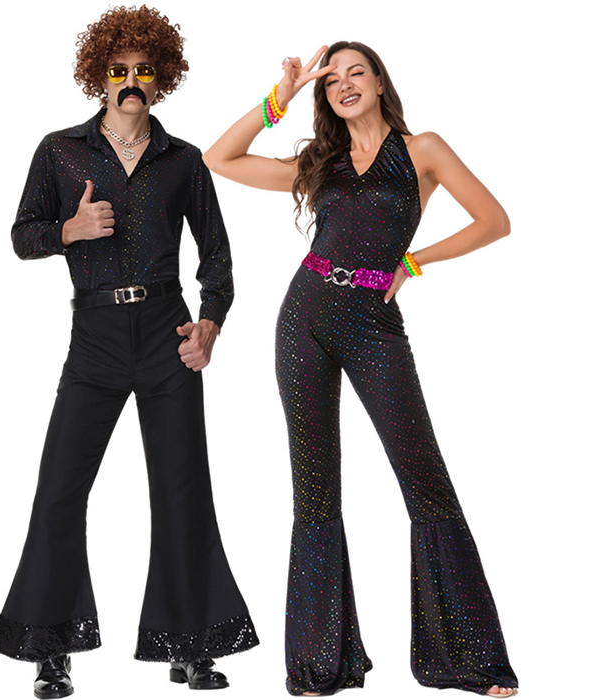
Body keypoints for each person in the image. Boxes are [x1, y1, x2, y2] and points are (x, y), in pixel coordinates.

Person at [204, 43, 518, 698]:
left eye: (357, 73)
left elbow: (494, 221)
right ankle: (321, 666)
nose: (344, 84)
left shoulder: (423, 149)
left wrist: (413, 261)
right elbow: (219, 158)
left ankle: (469, 660)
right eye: (333, 79)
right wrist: (283, 95)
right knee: (315, 491)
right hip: (304, 319)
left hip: (374, 324)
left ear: (378, 82)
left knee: (425, 480)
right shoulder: (321, 164)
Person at [0, 6, 258, 698]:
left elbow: (218, 257)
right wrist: (68, 230)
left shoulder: (184, 160)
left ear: (162, 77)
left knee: (182, 489)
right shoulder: (61, 151)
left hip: (168, 332)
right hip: (95, 338)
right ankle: (52, 650)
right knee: (60, 490)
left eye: (144, 70)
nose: (131, 81)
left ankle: (191, 645)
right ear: (99, 76)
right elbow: (22, 236)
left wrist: (210, 322)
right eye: (119, 70)